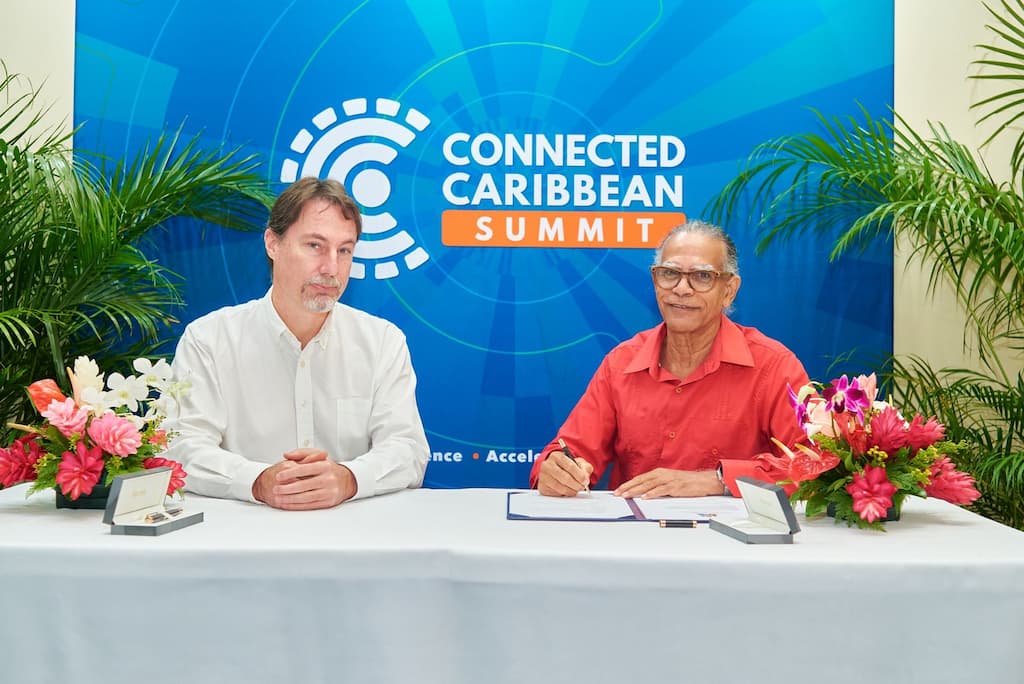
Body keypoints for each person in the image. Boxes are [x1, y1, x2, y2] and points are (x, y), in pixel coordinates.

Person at [163, 177, 429, 510]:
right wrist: (258, 481)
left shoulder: (382, 341)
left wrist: (348, 478)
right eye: (315, 246)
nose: (331, 268)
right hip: (243, 532)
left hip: (355, 532)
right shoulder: (210, 339)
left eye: (344, 250)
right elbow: (180, 447)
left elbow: (408, 449)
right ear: (272, 244)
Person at [530, 219, 809, 498]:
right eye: (669, 273)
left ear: (728, 291)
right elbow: (568, 452)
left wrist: (719, 480)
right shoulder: (621, 363)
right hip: (635, 524)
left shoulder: (773, 366)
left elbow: (814, 466)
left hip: (731, 526)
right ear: (655, 281)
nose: (681, 288)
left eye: (702, 276)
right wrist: (556, 471)